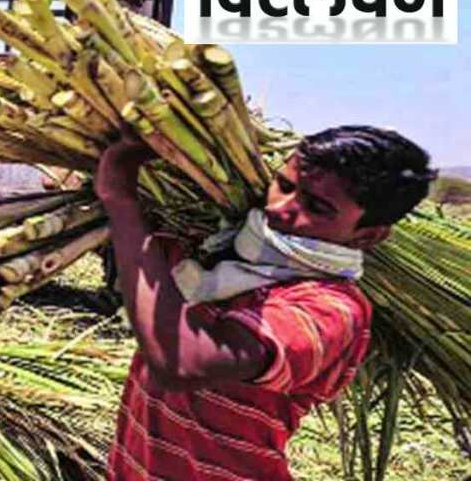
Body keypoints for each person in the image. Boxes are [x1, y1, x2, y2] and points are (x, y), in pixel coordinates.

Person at [97, 125, 436, 480]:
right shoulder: (214, 249)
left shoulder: (329, 309)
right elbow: (138, 254)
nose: (279, 208)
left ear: (368, 234)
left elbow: (183, 362)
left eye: (317, 207)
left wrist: (120, 198)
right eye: (285, 185)